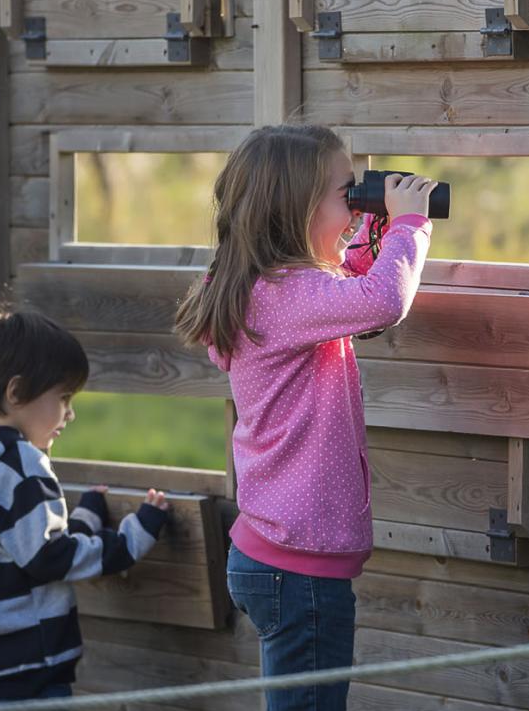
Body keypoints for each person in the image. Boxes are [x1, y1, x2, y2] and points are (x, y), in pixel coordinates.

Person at [174, 125, 436, 710]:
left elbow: (352, 286)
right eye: (347, 194)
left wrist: (373, 227)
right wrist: (411, 224)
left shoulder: (266, 286)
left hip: (274, 553)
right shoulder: (284, 295)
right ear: (295, 207)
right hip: (299, 571)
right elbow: (381, 301)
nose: (355, 206)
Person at [0, 305, 170, 705]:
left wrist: (85, 515)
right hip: (29, 664)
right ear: (16, 392)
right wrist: (130, 540)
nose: (70, 413)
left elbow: (22, 546)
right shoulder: (19, 462)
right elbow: (48, 558)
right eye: (64, 396)